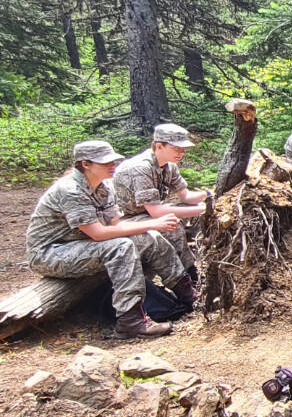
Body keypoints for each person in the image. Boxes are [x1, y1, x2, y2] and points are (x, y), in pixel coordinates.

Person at [26, 141, 196, 338]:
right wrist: (152, 223)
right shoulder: (70, 190)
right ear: (85, 164)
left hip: (81, 244)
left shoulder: (104, 187)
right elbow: (98, 233)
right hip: (50, 253)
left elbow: (116, 225)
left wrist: (151, 228)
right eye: (105, 162)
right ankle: (131, 321)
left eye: (113, 161)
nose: (112, 165)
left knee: (150, 238)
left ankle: (188, 295)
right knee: (121, 247)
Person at [112, 123, 209, 283]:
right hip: (125, 219)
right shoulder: (141, 167)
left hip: (145, 214)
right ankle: (187, 278)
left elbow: (185, 197)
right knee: (173, 227)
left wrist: (209, 195)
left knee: (186, 214)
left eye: (183, 149)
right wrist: (200, 209)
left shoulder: (169, 167)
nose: (181, 153)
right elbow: (156, 212)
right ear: (159, 146)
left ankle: (192, 271)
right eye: (176, 148)